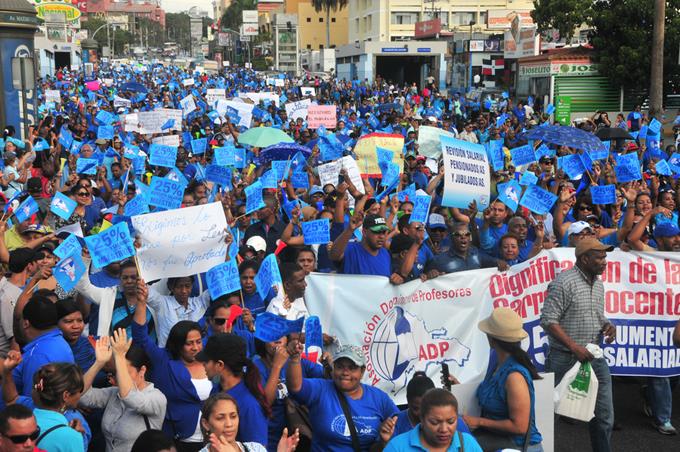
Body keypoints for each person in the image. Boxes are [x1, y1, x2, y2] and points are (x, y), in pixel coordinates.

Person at [541, 238, 616, 452]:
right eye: (600, 257)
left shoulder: (598, 284)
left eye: (605, 256)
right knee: (550, 414)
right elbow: (548, 320)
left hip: (594, 357)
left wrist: (608, 325)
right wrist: (574, 346)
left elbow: (596, 315)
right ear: (584, 259)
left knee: (604, 417)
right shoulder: (563, 282)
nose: (605, 261)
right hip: (564, 358)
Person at [131, 279, 210, 451]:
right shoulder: (164, 361)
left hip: (211, 440)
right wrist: (142, 303)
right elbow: (140, 337)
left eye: (198, 341)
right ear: (178, 344)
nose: (195, 347)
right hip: (177, 441)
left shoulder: (210, 362)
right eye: (190, 343)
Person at [286, 343, 399, 451]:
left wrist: (385, 438)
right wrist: (295, 358)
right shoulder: (321, 389)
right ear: (333, 368)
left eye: (352, 368)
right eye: (340, 367)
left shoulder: (378, 398)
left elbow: (401, 423)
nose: (345, 372)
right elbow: (296, 387)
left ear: (362, 371)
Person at [463, 308, 543, 451]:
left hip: (516, 446)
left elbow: (520, 427)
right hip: (502, 441)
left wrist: (479, 422)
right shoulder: (498, 365)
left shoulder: (514, 377)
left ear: (492, 339)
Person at [79, 329, 168, 452]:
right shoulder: (114, 393)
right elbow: (81, 396)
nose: (120, 377)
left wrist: (119, 357)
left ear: (142, 370)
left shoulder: (156, 398)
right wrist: (99, 363)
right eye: (118, 371)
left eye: (125, 372)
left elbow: (130, 398)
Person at [253, 333, 325, 451]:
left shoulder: (297, 361)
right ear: (262, 341)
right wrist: (277, 366)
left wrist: (328, 363)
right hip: (271, 439)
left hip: (300, 435)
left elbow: (327, 376)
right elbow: (265, 402)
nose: (277, 340)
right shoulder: (256, 367)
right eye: (271, 337)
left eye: (281, 335)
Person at [196, 333, 269, 445]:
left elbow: (258, 447)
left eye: (206, 361)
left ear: (220, 365)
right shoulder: (216, 390)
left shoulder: (249, 405)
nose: (203, 365)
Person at [12, 295, 74, 397]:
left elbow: (33, 401)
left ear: (26, 323)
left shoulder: (38, 355)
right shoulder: (59, 342)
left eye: (20, 319)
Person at [384, 389, 482, 452]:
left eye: (451, 421)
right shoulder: (397, 447)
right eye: (435, 422)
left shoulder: (468, 443)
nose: (444, 429)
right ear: (421, 419)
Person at [198, 393, 300, 452]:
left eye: (233, 416)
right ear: (206, 424)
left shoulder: (256, 449)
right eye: (220, 418)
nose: (229, 424)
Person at [330, 213, 396, 280]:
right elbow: (334, 255)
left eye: (384, 232)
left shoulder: (385, 253)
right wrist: (350, 229)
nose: (381, 236)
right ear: (364, 232)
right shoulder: (350, 249)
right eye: (377, 232)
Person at [426, 222, 499, 275]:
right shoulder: (438, 260)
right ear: (451, 238)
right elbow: (423, 278)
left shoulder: (476, 254)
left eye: (467, 234)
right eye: (458, 234)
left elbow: (494, 262)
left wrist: (500, 263)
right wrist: (430, 274)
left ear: (470, 237)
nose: (463, 237)